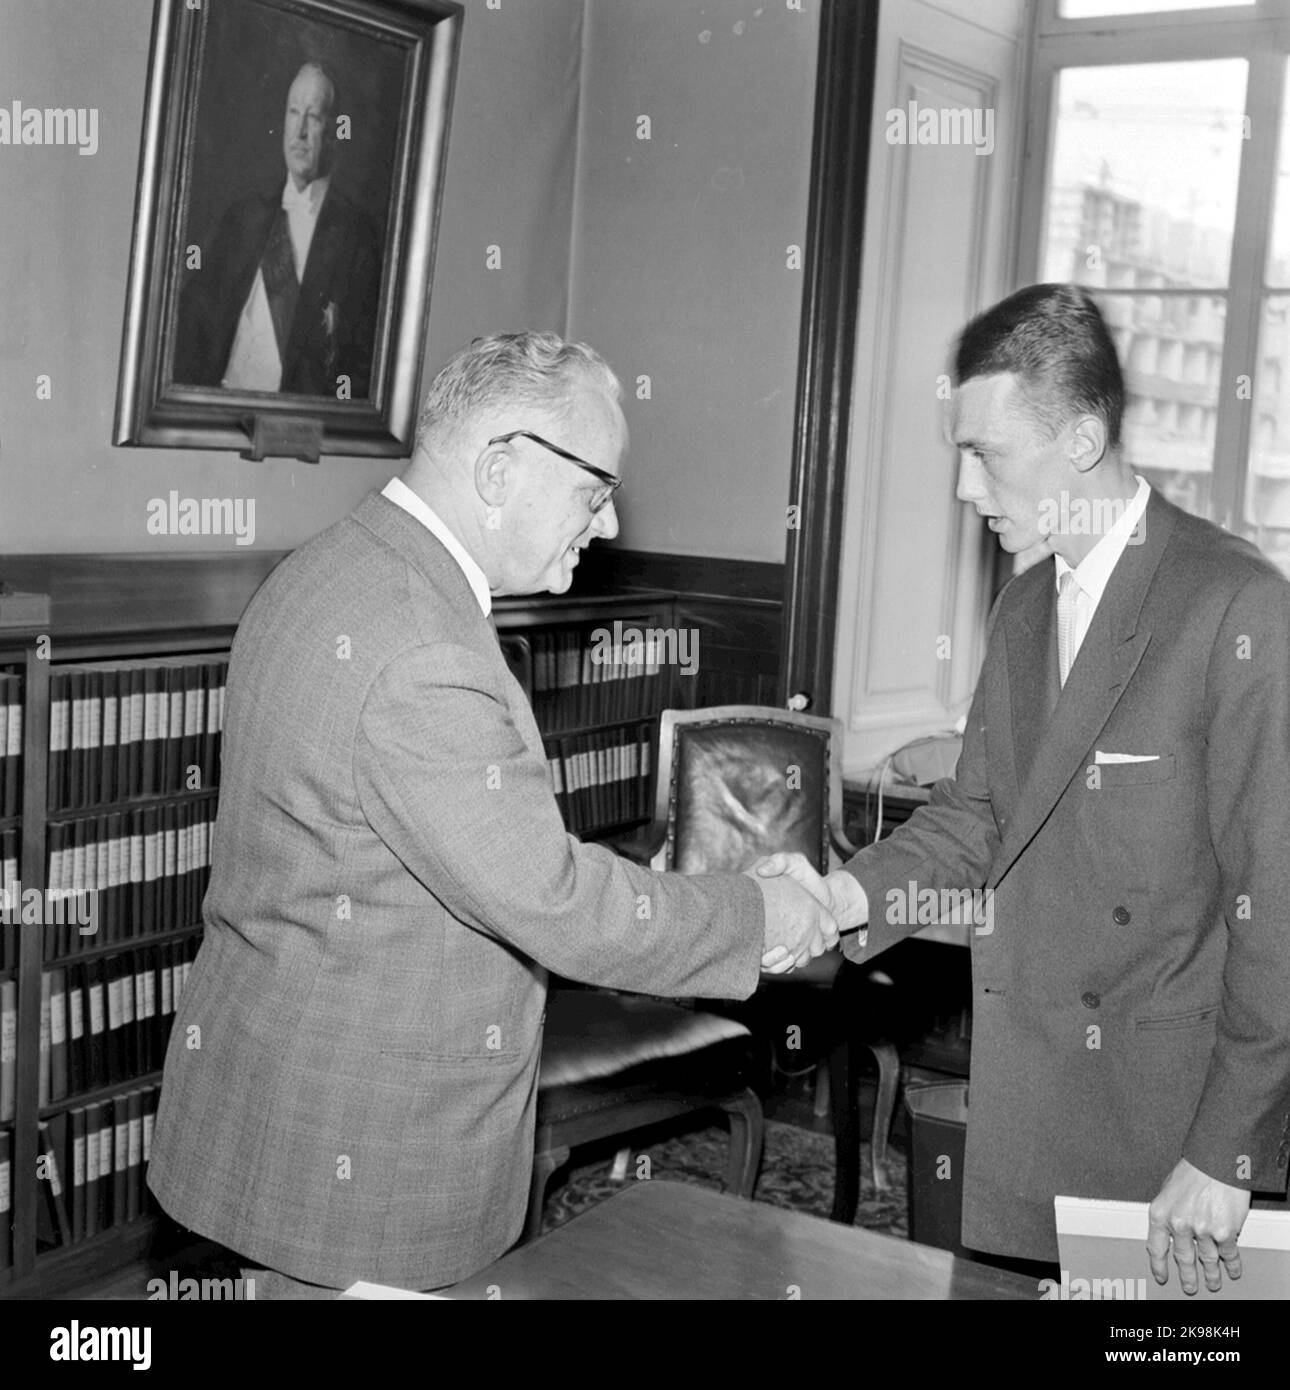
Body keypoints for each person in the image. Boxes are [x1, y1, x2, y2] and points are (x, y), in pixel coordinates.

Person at [146, 331, 838, 1296]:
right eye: (595, 491)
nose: (603, 526)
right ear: (501, 468)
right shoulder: (423, 646)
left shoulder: (326, 571)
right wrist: (762, 917)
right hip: (364, 1170)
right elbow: (554, 902)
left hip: (276, 1114)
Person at [760, 283, 1290, 1292]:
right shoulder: (1023, 606)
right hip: (1036, 1111)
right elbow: (978, 818)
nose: (967, 490)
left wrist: (1228, 1149)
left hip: (1171, 1138)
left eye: (985, 454)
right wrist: (841, 896)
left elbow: (1280, 905)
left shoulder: (1237, 605)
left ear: (1083, 439)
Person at [173, 61, 380, 397]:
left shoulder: (357, 238)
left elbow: (358, 368)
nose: (299, 131)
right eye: (293, 112)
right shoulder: (243, 219)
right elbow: (192, 321)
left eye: (313, 117)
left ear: (334, 130)